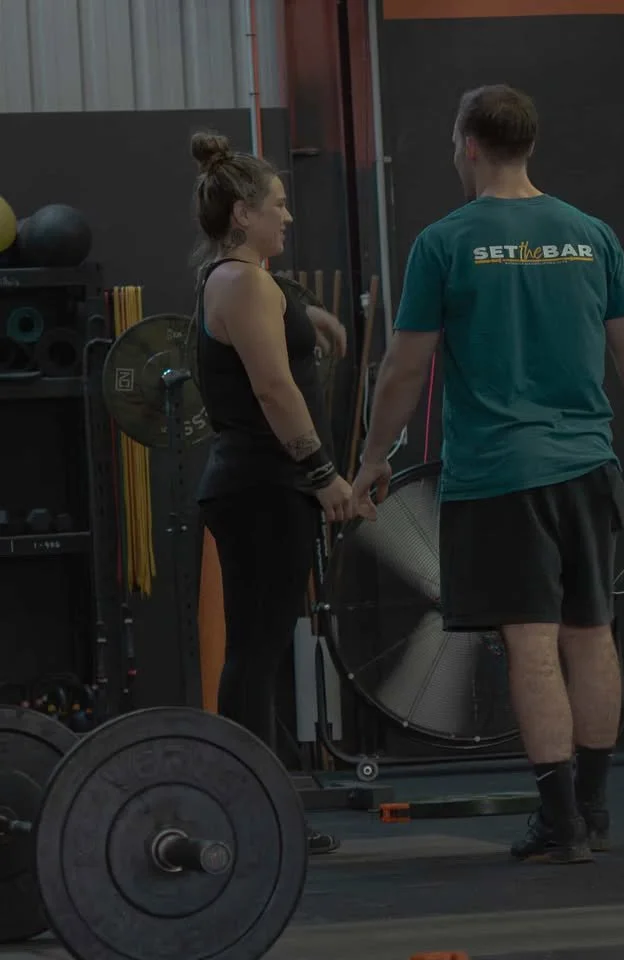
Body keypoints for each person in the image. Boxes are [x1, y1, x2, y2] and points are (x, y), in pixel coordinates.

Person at [351, 85, 624, 864]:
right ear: (526, 144)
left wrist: (374, 458)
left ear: (468, 144)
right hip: (584, 467)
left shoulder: (445, 242)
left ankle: (560, 821)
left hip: (501, 474)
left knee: (533, 646)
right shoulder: (588, 234)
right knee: (590, 635)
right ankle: (595, 807)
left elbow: (405, 367)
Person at [190, 130, 357, 855]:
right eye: (278, 206)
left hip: (260, 485)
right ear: (240, 215)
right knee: (254, 653)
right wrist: (325, 476)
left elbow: (269, 328)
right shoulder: (242, 283)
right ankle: (256, 817)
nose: (288, 217)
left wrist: (305, 314)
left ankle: (257, 810)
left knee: (258, 650)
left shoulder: (247, 280)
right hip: (264, 484)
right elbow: (272, 387)